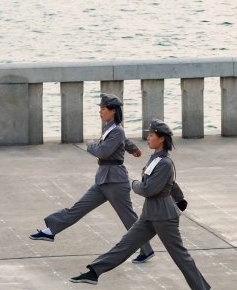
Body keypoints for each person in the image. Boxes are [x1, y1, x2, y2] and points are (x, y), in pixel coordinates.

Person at [69, 120, 211, 290]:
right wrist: (179, 197)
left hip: (164, 216)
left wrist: (134, 184)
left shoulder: (165, 163)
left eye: (152, 135)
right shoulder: (156, 159)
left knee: (179, 254)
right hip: (149, 214)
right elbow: (170, 184)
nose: (148, 138)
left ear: (161, 139)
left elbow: (149, 188)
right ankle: (94, 272)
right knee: (125, 244)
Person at [28, 93, 154, 264]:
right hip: (104, 180)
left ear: (113, 111)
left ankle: (146, 250)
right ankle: (50, 230)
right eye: (100, 109)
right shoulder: (111, 128)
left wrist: (90, 145)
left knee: (129, 218)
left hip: (115, 181)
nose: (100, 112)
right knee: (79, 208)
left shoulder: (116, 130)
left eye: (103, 109)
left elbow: (103, 151)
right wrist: (133, 149)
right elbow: (123, 140)